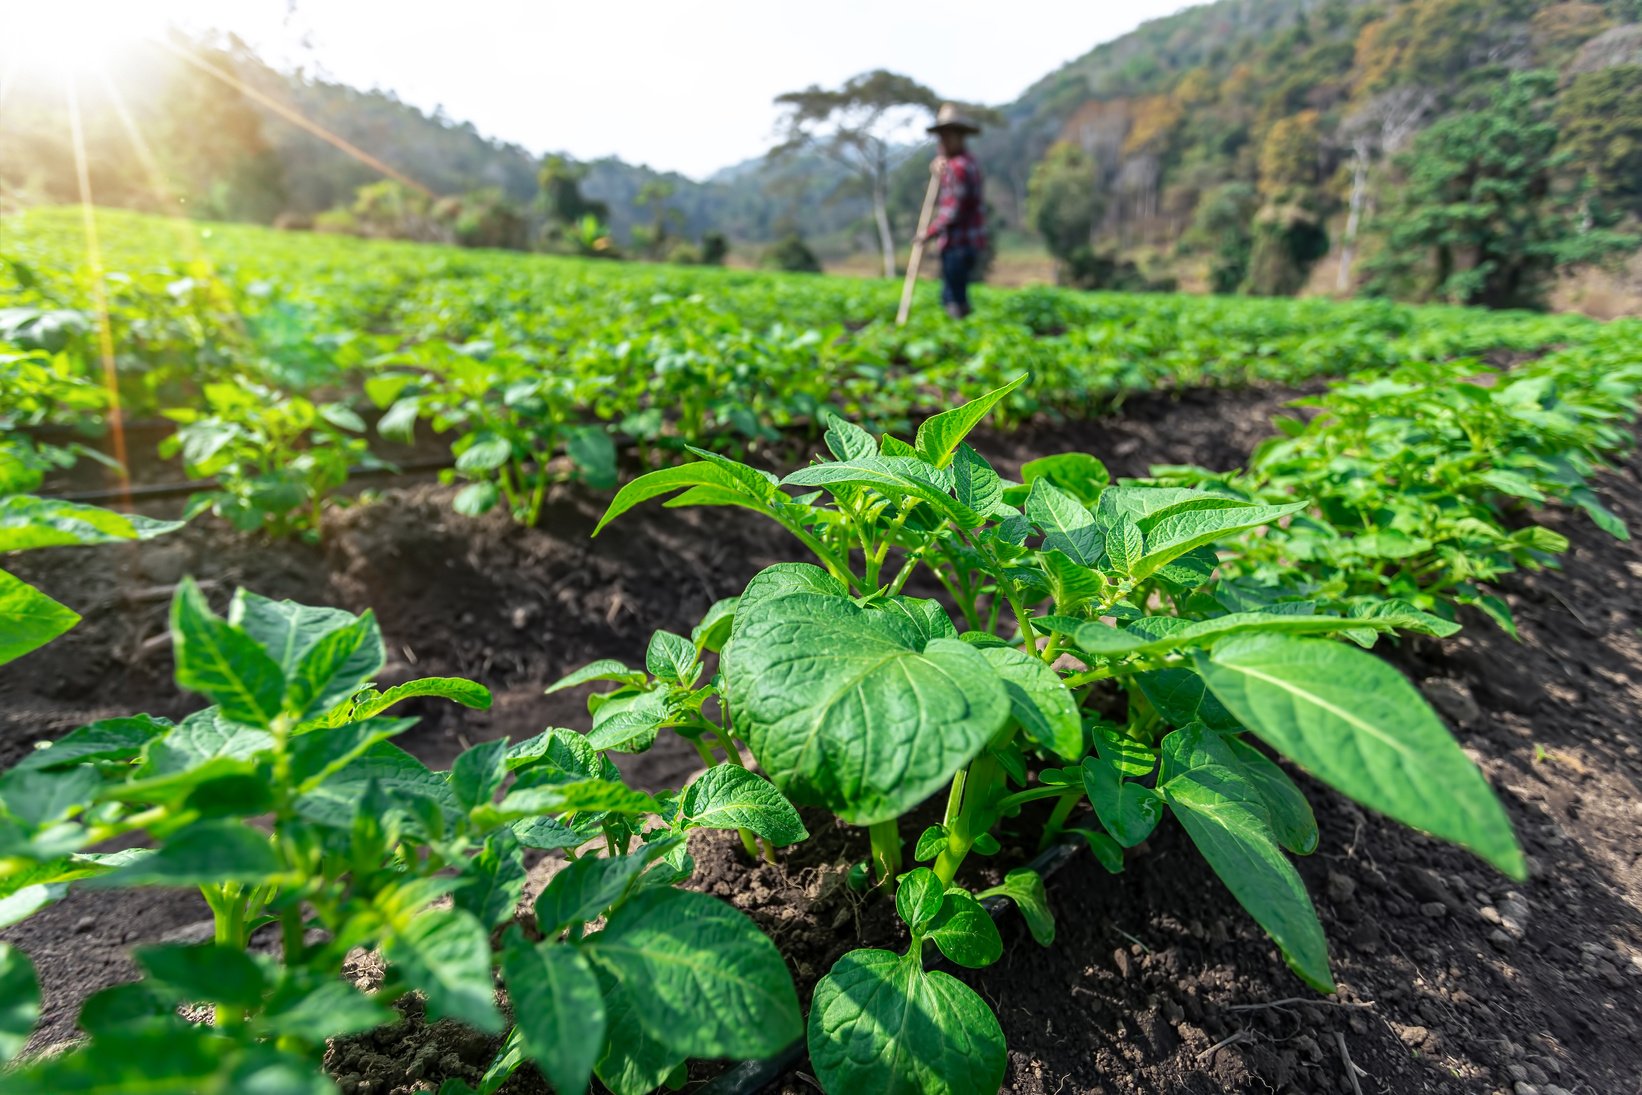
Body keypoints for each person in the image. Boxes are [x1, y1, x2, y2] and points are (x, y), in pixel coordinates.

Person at [924, 103, 987, 319]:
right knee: (958, 294)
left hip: (958, 243)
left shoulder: (958, 167)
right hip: (969, 242)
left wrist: (929, 232)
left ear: (959, 138)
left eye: (947, 137)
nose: (942, 142)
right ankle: (962, 331)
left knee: (952, 296)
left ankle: (956, 334)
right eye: (941, 137)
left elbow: (953, 209)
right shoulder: (969, 163)